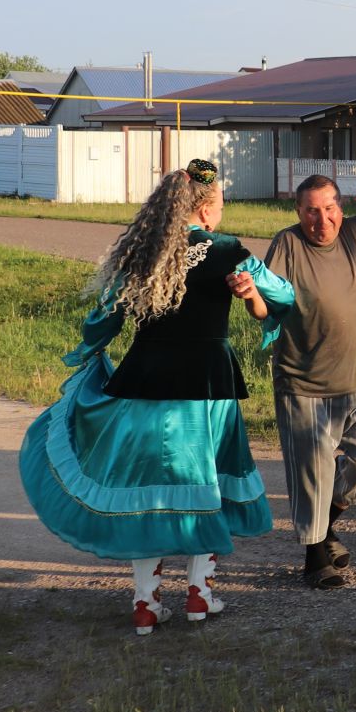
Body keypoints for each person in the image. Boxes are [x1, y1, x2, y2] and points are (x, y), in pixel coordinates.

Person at [18, 160, 291, 634]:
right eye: (220, 207)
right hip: (208, 387)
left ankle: (145, 603)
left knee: (146, 491)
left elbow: (101, 320)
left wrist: (89, 351)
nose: (220, 216)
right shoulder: (229, 252)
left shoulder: (142, 254)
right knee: (206, 484)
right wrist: (253, 297)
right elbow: (282, 297)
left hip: (143, 383)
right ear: (205, 211)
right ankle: (199, 597)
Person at [233, 173, 356, 590]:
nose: (322, 220)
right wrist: (251, 297)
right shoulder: (288, 244)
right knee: (311, 474)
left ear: (340, 207)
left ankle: (327, 527)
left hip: (354, 380)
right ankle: (313, 557)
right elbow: (268, 308)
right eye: (311, 211)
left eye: (329, 208)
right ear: (298, 212)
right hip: (303, 382)